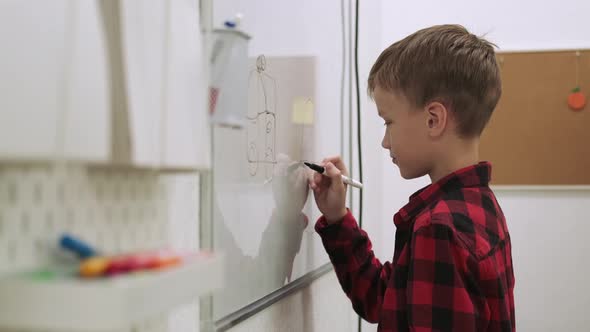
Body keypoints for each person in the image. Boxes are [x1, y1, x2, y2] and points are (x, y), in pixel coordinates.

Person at [309, 24, 515, 331]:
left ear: (433, 120)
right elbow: (382, 299)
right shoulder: (481, 206)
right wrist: (338, 218)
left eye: (388, 122)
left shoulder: (439, 228)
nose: (385, 142)